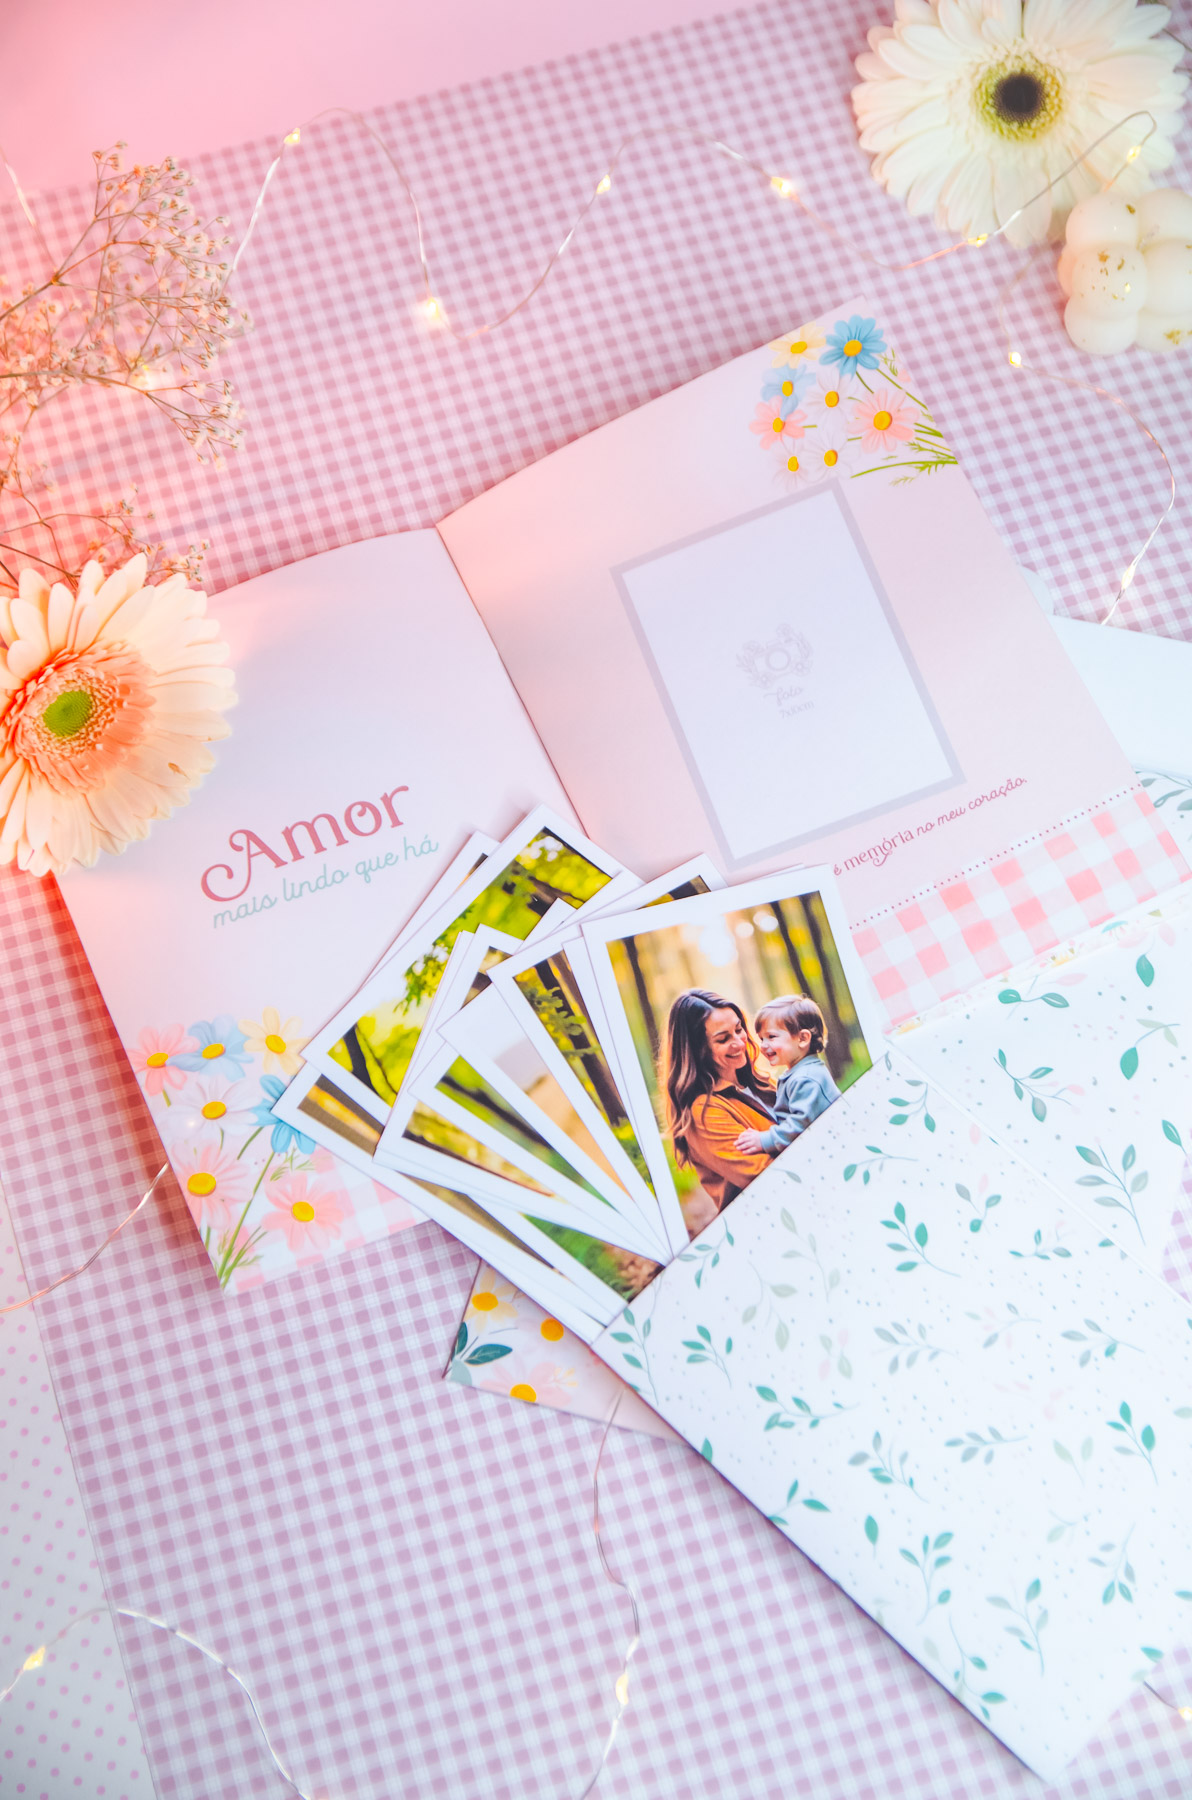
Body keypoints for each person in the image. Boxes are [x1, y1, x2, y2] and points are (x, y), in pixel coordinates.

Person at [663, 989, 776, 1220]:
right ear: (697, 1051)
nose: (739, 1042)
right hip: (769, 1219)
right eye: (723, 1039)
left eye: (739, 1029)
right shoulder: (703, 1112)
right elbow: (764, 1175)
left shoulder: (759, 1082)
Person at [734, 994, 840, 1159]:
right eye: (762, 1039)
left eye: (771, 1037)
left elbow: (801, 1124)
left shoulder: (807, 1079)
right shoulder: (798, 1073)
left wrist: (765, 1140)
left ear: (803, 1038)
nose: (763, 1046)